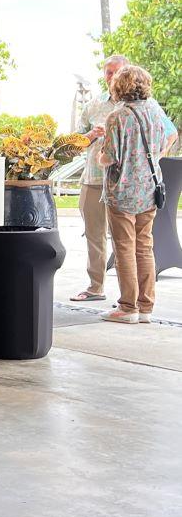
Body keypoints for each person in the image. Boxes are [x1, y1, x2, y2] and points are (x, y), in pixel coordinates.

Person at [98, 65, 172, 325]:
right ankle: (146, 307)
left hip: (122, 192)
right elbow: (167, 140)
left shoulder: (117, 117)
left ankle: (128, 307)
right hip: (150, 189)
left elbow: (109, 157)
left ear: (119, 87)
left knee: (125, 248)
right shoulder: (155, 112)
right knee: (145, 246)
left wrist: (98, 156)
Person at [71, 54, 128, 304]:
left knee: (124, 239)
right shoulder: (94, 105)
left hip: (123, 182)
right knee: (94, 237)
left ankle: (129, 297)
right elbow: (74, 142)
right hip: (93, 179)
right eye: (108, 72)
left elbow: (167, 133)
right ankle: (96, 287)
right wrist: (92, 136)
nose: (112, 76)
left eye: (117, 71)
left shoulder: (135, 104)